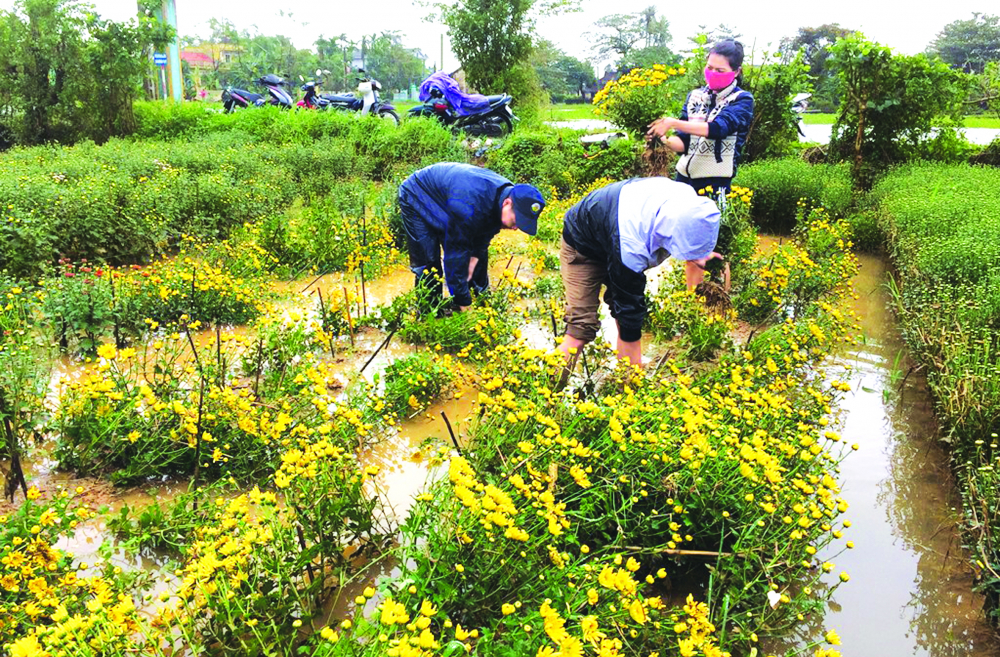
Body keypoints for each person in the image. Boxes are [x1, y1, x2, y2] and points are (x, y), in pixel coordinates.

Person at [558, 177, 722, 368]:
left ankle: (624, 378)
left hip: (612, 226)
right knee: (581, 328)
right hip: (584, 244)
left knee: (623, 315)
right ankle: (551, 389)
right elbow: (629, 311)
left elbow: (695, 250)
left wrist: (701, 258)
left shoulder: (693, 208)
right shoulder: (632, 244)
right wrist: (635, 381)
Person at [397, 162, 545, 314]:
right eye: (516, 221)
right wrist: (465, 305)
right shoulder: (471, 207)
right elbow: (454, 256)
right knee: (428, 262)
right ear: (507, 203)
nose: (515, 228)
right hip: (417, 193)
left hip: (450, 199)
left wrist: (473, 265)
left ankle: (479, 299)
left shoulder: (504, 197)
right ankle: (429, 314)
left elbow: (481, 243)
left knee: (475, 258)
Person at [646, 40, 755, 197]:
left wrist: (673, 123)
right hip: (683, 180)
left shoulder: (742, 100)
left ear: (736, 71)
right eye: (709, 68)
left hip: (715, 185)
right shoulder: (695, 96)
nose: (713, 73)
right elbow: (684, 143)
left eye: (720, 70)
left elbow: (718, 128)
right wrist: (663, 139)